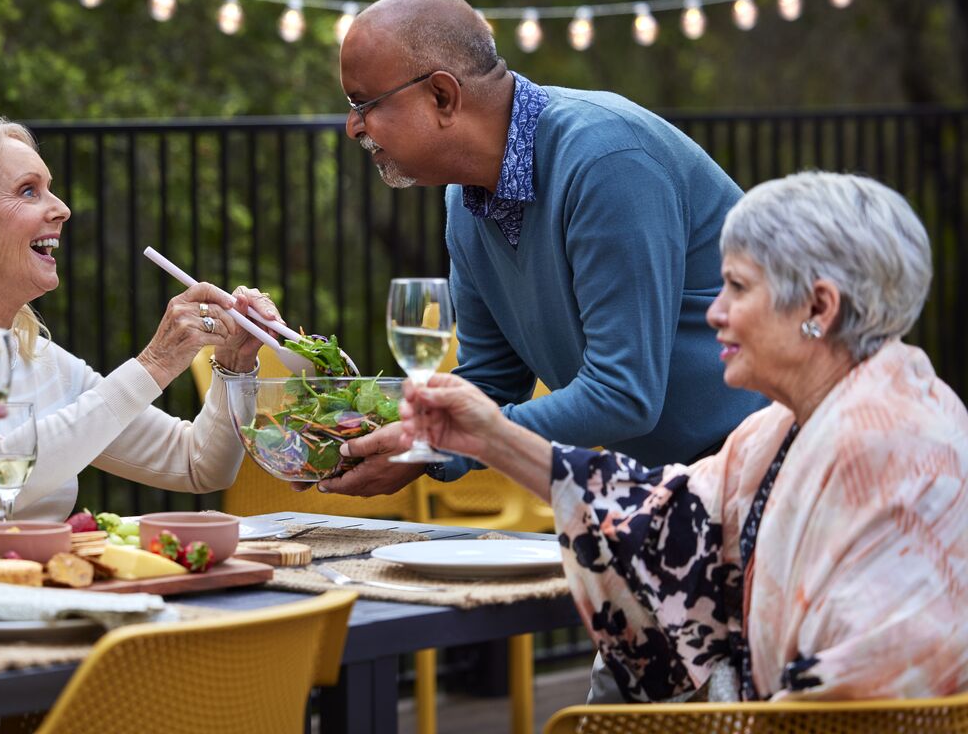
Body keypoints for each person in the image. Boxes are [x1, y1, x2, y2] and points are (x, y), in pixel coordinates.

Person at [399, 172, 968, 701]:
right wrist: (489, 436)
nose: (714, 313)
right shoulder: (791, 424)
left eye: (737, 287)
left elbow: (860, 697)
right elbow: (663, 519)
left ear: (819, 307)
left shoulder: (885, 444)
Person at [325, 0, 765, 507]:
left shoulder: (606, 162)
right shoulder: (464, 202)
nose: (354, 127)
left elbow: (622, 396)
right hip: (685, 483)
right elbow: (492, 379)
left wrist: (440, 437)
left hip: (777, 464)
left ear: (442, 96)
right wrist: (409, 445)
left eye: (364, 103)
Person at [0, 118, 279, 562]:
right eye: (29, 190)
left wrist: (233, 367)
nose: (62, 208)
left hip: (36, 597)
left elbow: (199, 465)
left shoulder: (36, 355)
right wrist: (155, 365)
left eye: (50, 189)